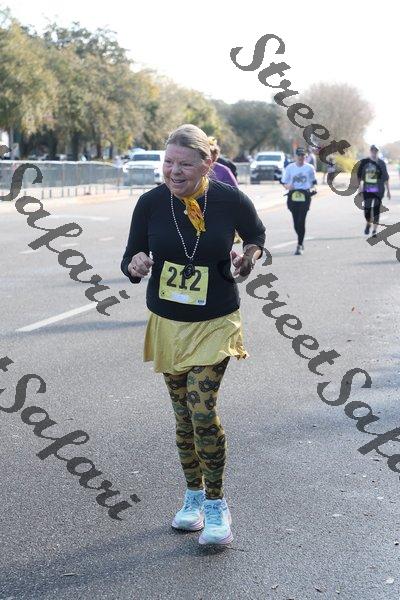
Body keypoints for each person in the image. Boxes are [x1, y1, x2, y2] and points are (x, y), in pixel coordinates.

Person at [121, 124, 265, 546]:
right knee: (183, 416)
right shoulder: (150, 203)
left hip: (216, 320)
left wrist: (248, 258)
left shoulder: (230, 199)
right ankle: (193, 497)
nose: (174, 171)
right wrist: (135, 265)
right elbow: (130, 256)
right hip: (168, 323)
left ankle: (217, 505)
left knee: (202, 410)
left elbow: (256, 235)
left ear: (208, 163)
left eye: (184, 164)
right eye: (168, 162)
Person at [281, 147, 317, 255]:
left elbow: (314, 183)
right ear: (295, 156)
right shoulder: (289, 168)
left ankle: (299, 245)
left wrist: (313, 189)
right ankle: (300, 237)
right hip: (293, 196)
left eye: (303, 155)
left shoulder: (309, 168)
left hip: (305, 196)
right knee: (296, 223)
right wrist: (288, 186)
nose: (301, 157)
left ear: (306, 156)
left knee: (301, 221)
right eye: (299, 155)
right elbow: (284, 182)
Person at [357, 145, 390, 237]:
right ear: (370, 151)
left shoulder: (382, 163)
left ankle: (374, 230)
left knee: (376, 210)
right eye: (372, 150)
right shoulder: (364, 162)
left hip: (379, 190)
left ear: (377, 152)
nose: (374, 152)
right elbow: (359, 177)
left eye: (376, 151)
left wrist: (388, 191)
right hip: (367, 189)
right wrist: (359, 188)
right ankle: (368, 223)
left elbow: (386, 178)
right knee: (367, 210)